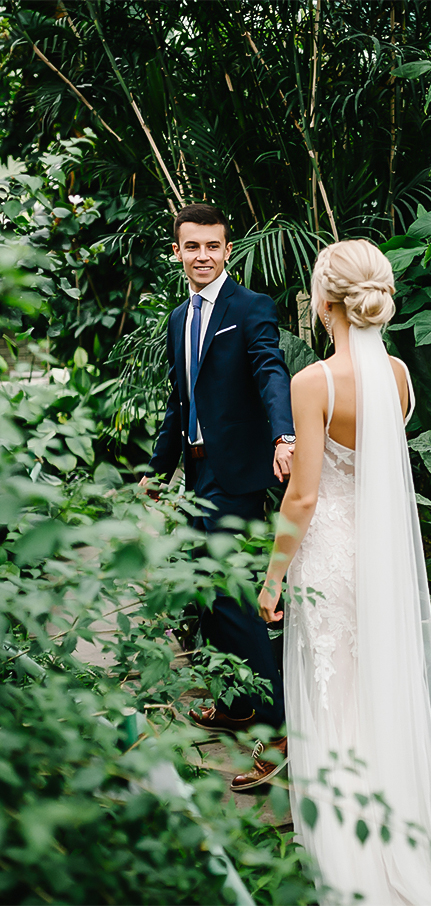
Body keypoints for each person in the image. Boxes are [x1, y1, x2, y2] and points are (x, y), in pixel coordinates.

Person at [257, 239, 431, 904]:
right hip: (383, 556)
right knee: (376, 693)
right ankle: (401, 825)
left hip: (329, 557)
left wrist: (272, 576)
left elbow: (304, 496)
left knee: (335, 698)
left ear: (323, 302)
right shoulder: (399, 376)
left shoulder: (313, 382)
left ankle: (349, 849)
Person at [140, 203, 295, 788]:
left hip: (236, 477)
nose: (202, 255)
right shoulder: (179, 317)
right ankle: (236, 705)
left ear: (227, 250)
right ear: (176, 252)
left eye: (212, 246)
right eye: (192, 246)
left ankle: (278, 734)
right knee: (204, 596)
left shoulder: (250, 307)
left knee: (231, 598)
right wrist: (157, 471)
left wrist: (284, 434)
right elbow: (179, 401)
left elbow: (270, 370)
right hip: (196, 476)